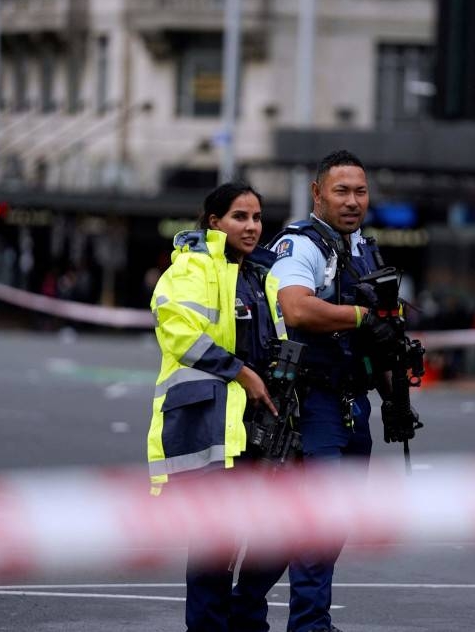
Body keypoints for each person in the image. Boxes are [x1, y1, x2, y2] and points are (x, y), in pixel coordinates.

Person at [268, 149, 410, 632]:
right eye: (341, 191)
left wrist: (395, 394)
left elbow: (381, 331)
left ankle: (256, 612)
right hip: (314, 402)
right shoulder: (301, 244)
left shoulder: (363, 249)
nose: (352, 201)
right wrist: (362, 317)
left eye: (361, 191)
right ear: (317, 194)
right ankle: (308, 626)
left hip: (355, 401)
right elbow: (297, 310)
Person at [147, 182, 286, 632]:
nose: (252, 226)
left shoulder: (264, 274)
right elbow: (180, 334)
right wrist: (241, 372)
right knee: (214, 547)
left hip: (262, 427)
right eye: (240, 217)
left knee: (279, 534)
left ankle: (245, 616)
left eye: (257, 218)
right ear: (213, 222)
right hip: (211, 428)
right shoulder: (190, 268)